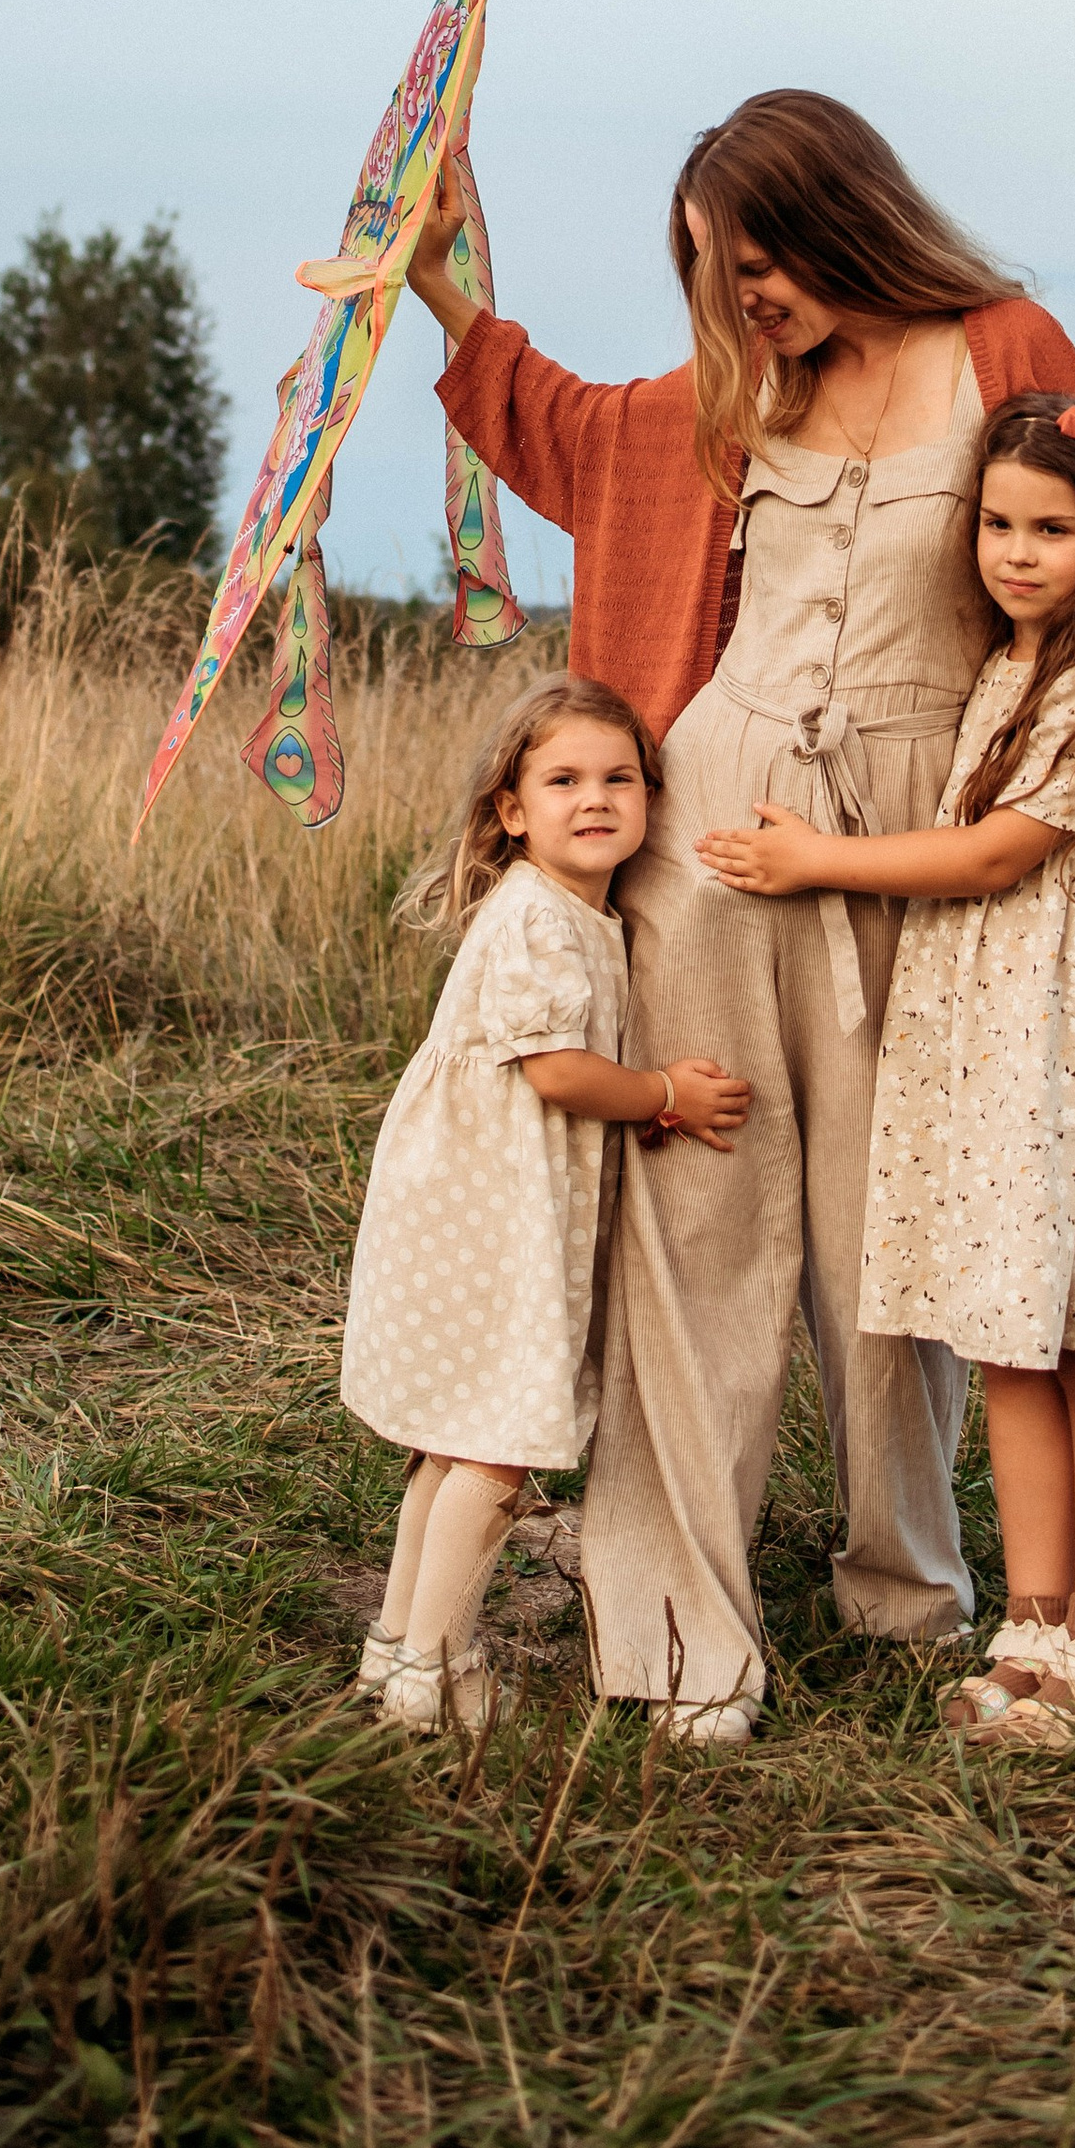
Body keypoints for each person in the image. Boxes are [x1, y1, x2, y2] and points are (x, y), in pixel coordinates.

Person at [406, 90, 1075, 1738]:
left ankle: (904, 1580)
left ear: (843, 221)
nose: (740, 301)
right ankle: (672, 1609)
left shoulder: (1004, 348)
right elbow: (575, 437)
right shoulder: (737, 386)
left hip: (931, 856)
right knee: (694, 1216)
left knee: (892, 1227)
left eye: (758, 265)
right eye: (712, 274)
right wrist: (441, 293)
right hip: (717, 836)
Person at [699, 392, 1075, 1750]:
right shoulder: (1008, 660)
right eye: (996, 524)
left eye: (1051, 529)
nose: (1016, 553)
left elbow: (999, 856)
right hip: (1001, 1050)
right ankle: (1031, 1627)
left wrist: (818, 862)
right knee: (1008, 1338)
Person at [339, 676, 751, 1735]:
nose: (595, 799)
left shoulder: (577, 912)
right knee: (496, 1447)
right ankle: (435, 1668)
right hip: (489, 1211)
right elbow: (559, 1072)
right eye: (562, 780)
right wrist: (662, 1095)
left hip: (487, 1200)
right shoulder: (536, 916)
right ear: (513, 810)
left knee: (455, 1437)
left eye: (620, 779)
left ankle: (396, 1646)